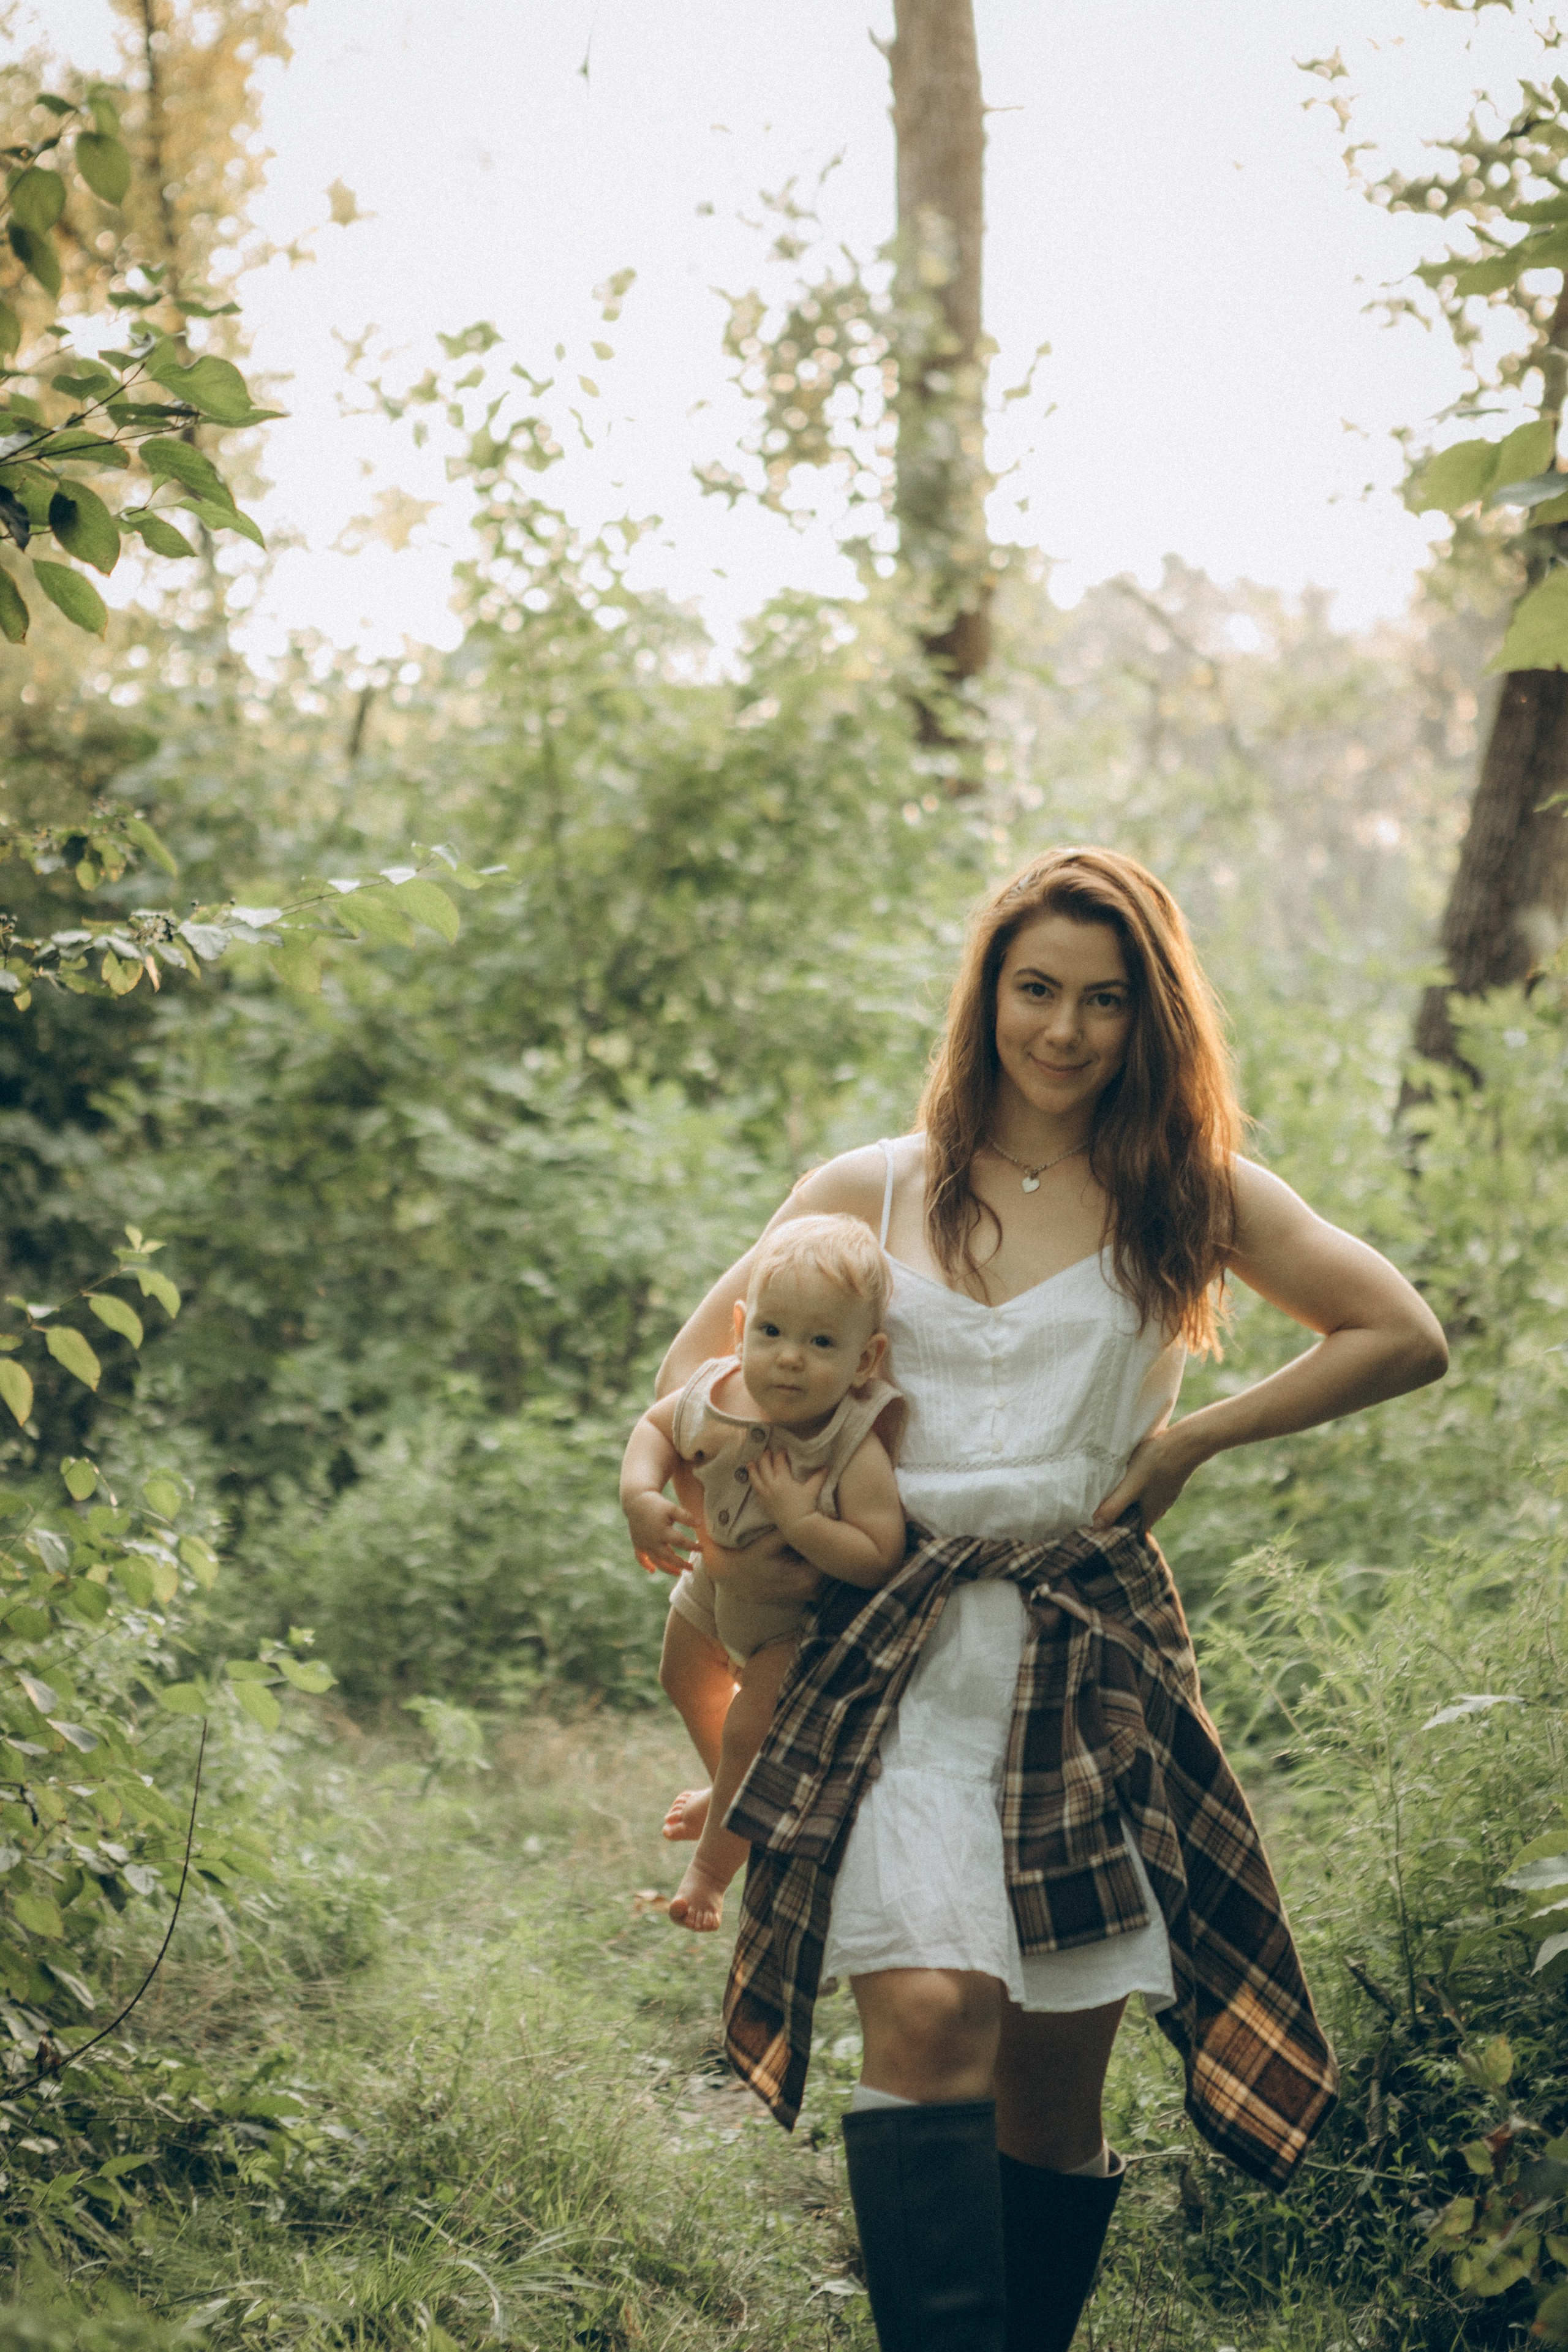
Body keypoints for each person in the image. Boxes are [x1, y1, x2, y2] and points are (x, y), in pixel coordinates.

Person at [643, 848, 1449, 2352]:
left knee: (1048, 2083)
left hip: (1082, 1662)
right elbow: (696, 1380)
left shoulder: (1184, 1193)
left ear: (1149, 1015)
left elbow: (1396, 1332)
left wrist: (1198, 1432)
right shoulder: (865, 1190)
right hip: (885, 1656)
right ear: (986, 995)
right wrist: (746, 1532)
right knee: (931, 2011)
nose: (1064, 1030)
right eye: (1034, 989)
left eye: (1101, 997)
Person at [620, 1213, 905, 1931]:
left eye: (820, 1343)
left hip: (794, 1626)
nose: (788, 1359)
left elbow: (879, 1555)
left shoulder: (850, 1439)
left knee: (751, 1724)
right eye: (772, 1332)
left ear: (865, 1360)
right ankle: (732, 1797)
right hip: (713, 1588)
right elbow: (654, 1429)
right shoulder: (716, 1393)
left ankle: (712, 1873)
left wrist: (805, 1523)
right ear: (741, 1326)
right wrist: (640, 1496)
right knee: (682, 1675)